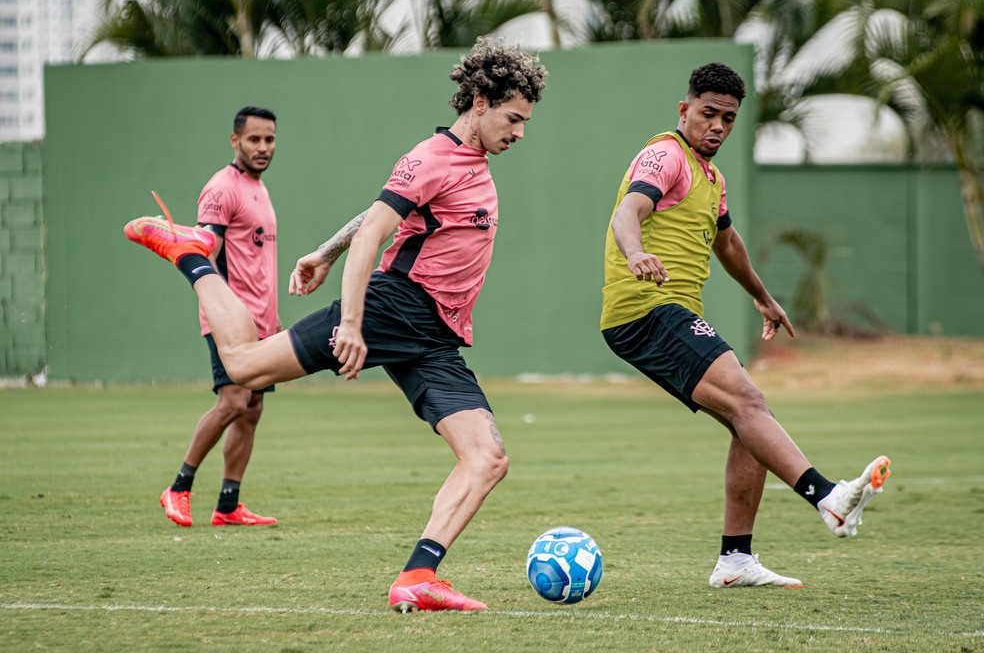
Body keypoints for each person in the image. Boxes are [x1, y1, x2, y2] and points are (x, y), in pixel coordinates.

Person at [125, 36, 547, 612]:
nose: (520, 132)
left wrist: (323, 252)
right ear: (478, 101)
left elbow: (378, 213)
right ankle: (191, 254)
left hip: (433, 336)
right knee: (242, 365)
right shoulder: (432, 156)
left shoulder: (468, 163)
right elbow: (376, 233)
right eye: (513, 118)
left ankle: (418, 577)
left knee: (488, 457)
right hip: (392, 308)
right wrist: (351, 322)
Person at [600, 63, 891, 588]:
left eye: (728, 119)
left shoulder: (712, 178)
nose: (717, 126)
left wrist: (763, 298)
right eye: (708, 113)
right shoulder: (665, 155)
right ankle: (829, 498)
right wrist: (637, 251)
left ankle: (735, 561)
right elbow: (628, 212)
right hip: (645, 310)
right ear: (684, 110)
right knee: (751, 403)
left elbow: (727, 244)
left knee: (750, 421)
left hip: (672, 312)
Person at [159, 106, 281, 528]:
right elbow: (202, 249)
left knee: (252, 408)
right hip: (229, 318)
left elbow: (258, 261)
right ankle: (178, 488)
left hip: (263, 323)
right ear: (235, 141)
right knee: (232, 401)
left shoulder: (259, 189)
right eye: (254, 139)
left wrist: (273, 318)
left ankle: (228, 505)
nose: (263, 147)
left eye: (269, 139)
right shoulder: (221, 189)